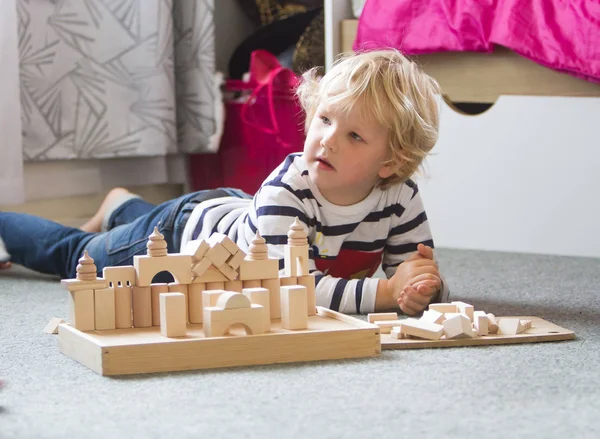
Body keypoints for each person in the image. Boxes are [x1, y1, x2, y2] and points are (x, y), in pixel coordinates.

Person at [0, 49, 449, 315]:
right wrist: (387, 293)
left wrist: (420, 288)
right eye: (324, 120)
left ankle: (122, 205)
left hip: (237, 217)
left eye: (353, 135)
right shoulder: (287, 189)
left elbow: (417, 276)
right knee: (77, 255)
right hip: (184, 233)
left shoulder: (398, 196)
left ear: (392, 162)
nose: (327, 140)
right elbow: (290, 290)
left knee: (126, 228)